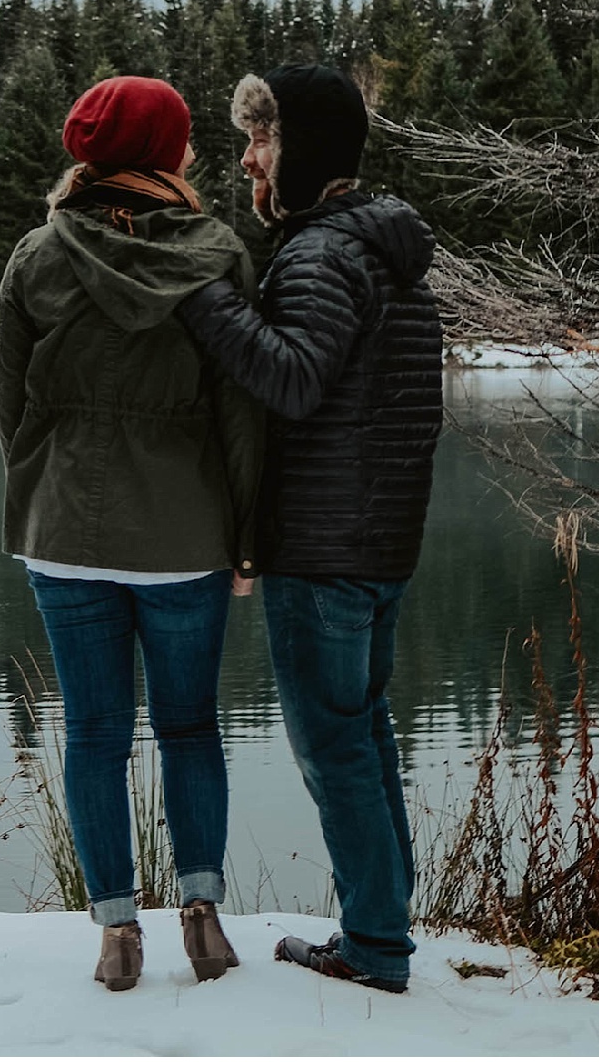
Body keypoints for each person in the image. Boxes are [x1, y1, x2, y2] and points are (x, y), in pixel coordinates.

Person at [175, 64, 443, 994]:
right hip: (377, 542)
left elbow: (290, 377)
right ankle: (385, 928)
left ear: (306, 151)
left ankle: (374, 945)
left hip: (325, 548)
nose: (248, 159)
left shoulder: (324, 254)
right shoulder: (381, 248)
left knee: (336, 749)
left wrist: (202, 298)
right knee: (363, 735)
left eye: (264, 139)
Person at [0, 75, 262, 992]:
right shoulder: (217, 253)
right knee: (189, 726)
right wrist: (246, 535)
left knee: (96, 733)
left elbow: (11, 408)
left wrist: (40, 500)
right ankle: (201, 916)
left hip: (64, 528)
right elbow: (241, 412)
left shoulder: (37, 254)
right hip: (184, 534)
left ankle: (115, 932)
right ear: (167, 151)